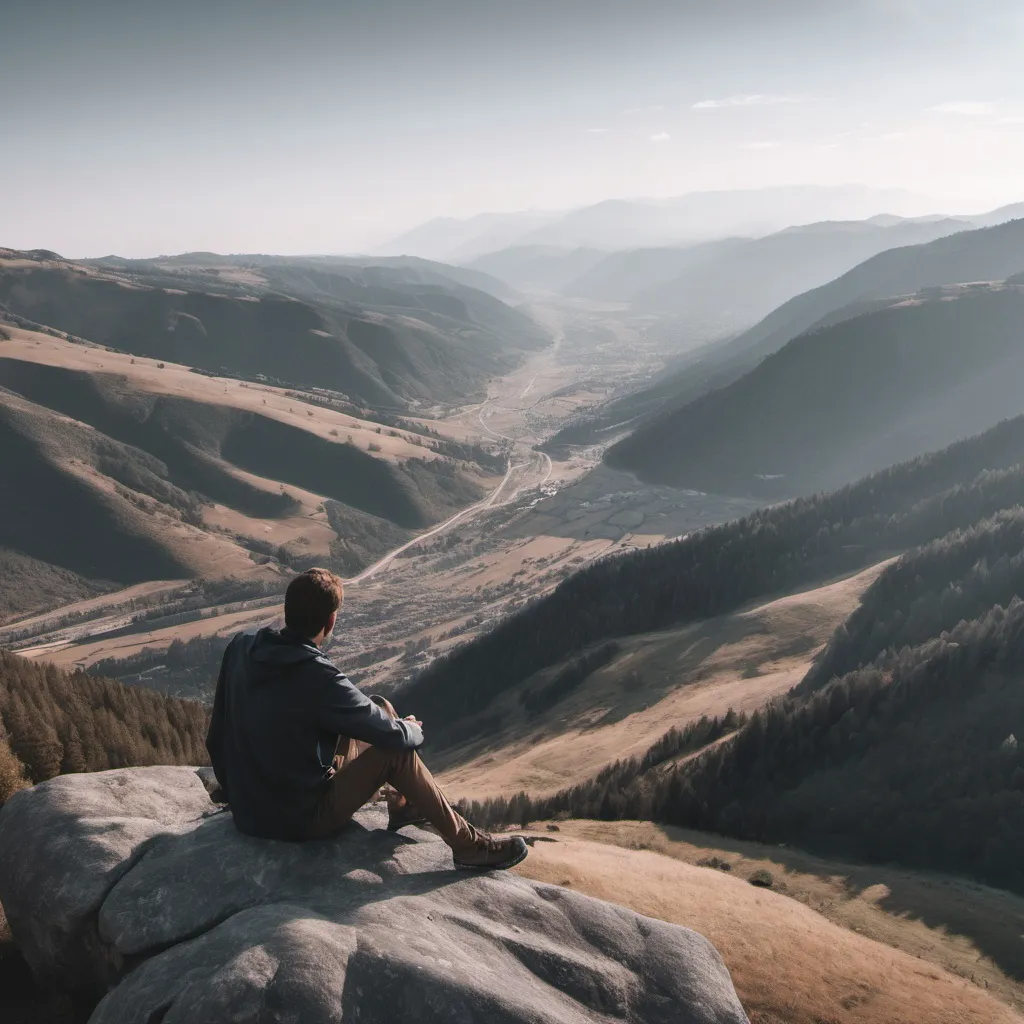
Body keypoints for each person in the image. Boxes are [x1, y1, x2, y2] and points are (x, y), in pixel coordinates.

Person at [205, 567, 528, 870]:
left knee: (380, 707)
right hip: (295, 819)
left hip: (249, 808)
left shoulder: (241, 647)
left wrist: (235, 792)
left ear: (287, 610)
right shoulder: (317, 675)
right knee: (396, 751)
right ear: (330, 622)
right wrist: (412, 730)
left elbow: (217, 730)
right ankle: (469, 846)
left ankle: (403, 808)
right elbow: (395, 739)